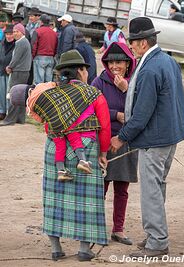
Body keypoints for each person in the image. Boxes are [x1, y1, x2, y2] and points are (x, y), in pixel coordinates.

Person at [10, 49, 111, 262]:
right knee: (86, 200)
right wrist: (103, 153)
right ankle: (84, 249)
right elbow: (104, 127)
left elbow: (47, 125)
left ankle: (56, 248)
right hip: (86, 149)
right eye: (85, 69)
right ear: (81, 71)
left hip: (56, 150)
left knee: (54, 198)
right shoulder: (94, 94)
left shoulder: (50, 93)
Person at [110, 17, 184, 258]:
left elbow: (142, 114)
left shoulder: (150, 68)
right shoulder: (166, 60)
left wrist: (121, 137)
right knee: (157, 186)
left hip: (155, 139)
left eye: (132, 42)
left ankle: (157, 241)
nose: (130, 47)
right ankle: (155, 235)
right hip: (169, 135)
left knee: (151, 190)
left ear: (143, 43)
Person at [92, 42, 138, 245]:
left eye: (119, 62)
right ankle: (95, 229)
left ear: (128, 64)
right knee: (99, 187)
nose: (114, 66)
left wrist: (126, 89)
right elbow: (89, 107)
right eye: (111, 62)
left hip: (126, 141)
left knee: (122, 189)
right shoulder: (99, 82)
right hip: (103, 142)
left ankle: (118, 229)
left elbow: (142, 109)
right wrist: (114, 115)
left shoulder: (136, 82)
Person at [0, 23, 32, 127]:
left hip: (19, 71)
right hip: (24, 71)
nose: (14, 33)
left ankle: (9, 120)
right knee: (21, 95)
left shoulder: (21, 42)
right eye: (14, 31)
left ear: (22, 32)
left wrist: (10, 67)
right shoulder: (25, 41)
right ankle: (20, 118)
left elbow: (16, 58)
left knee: (14, 95)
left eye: (16, 31)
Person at [31, 14, 57, 84]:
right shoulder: (54, 33)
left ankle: (39, 95)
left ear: (41, 22)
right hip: (51, 58)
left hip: (40, 57)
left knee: (39, 82)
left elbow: (33, 46)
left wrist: (32, 56)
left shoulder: (37, 31)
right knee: (48, 83)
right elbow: (56, 46)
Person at [0, 24, 15, 120]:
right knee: (1, 93)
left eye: (10, 34)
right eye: (7, 34)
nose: (8, 36)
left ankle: (9, 112)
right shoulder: (2, 44)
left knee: (9, 93)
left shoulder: (16, 45)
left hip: (11, 72)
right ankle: (2, 111)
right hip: (1, 71)